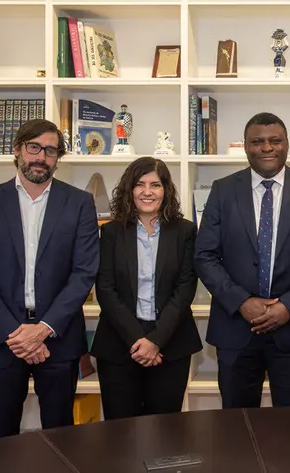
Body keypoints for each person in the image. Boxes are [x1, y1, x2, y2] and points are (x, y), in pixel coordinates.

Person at [0, 119, 99, 439]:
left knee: (61, 438)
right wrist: (18, 335)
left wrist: (43, 329)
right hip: (1, 339)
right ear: (17, 150)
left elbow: (84, 273)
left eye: (50, 151)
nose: (41, 157)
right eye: (33, 147)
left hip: (58, 338)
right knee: (0, 439)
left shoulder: (79, 203)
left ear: (58, 158)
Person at [194, 112, 290, 407]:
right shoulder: (223, 190)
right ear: (245, 146)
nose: (267, 147)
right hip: (236, 329)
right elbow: (205, 255)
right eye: (257, 141)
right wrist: (242, 302)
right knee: (237, 429)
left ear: (287, 144)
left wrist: (288, 306)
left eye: (275, 141)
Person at [90, 157, 202, 419]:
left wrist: (155, 340)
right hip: (119, 345)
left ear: (166, 190)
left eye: (155, 184)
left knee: (166, 433)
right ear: (130, 190)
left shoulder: (185, 231)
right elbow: (105, 289)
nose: (147, 192)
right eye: (140, 184)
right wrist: (138, 340)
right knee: (121, 435)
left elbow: (186, 288)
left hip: (171, 345)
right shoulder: (111, 232)